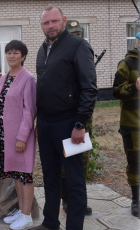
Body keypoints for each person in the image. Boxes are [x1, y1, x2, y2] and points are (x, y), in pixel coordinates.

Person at [31, 6, 97, 230]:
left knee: (74, 179)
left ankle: (74, 227)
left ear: (64, 21)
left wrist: (80, 124)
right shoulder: (42, 49)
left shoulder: (78, 46)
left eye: (54, 21)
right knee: (50, 176)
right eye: (46, 23)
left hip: (70, 124)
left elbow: (90, 89)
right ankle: (50, 223)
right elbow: (43, 88)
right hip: (47, 123)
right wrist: (39, 121)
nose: (50, 26)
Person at [0, 40, 37, 230]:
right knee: (15, 173)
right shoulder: (4, 78)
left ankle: (27, 216)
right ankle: (21, 210)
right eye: (8, 52)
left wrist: (22, 138)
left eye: (16, 53)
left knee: (25, 174)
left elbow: (29, 111)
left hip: (19, 138)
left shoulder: (28, 79)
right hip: (4, 136)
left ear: (23, 56)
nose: (11, 56)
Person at [61, 20, 93, 216]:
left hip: (82, 115)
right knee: (67, 158)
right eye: (73, 33)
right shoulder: (62, 53)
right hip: (65, 114)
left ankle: (80, 199)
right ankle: (66, 199)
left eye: (78, 33)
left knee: (82, 159)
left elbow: (90, 86)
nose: (76, 36)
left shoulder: (84, 52)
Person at [112, 30, 140, 217]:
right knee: (136, 163)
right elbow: (116, 91)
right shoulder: (127, 63)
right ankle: (136, 200)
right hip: (133, 124)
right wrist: (134, 87)